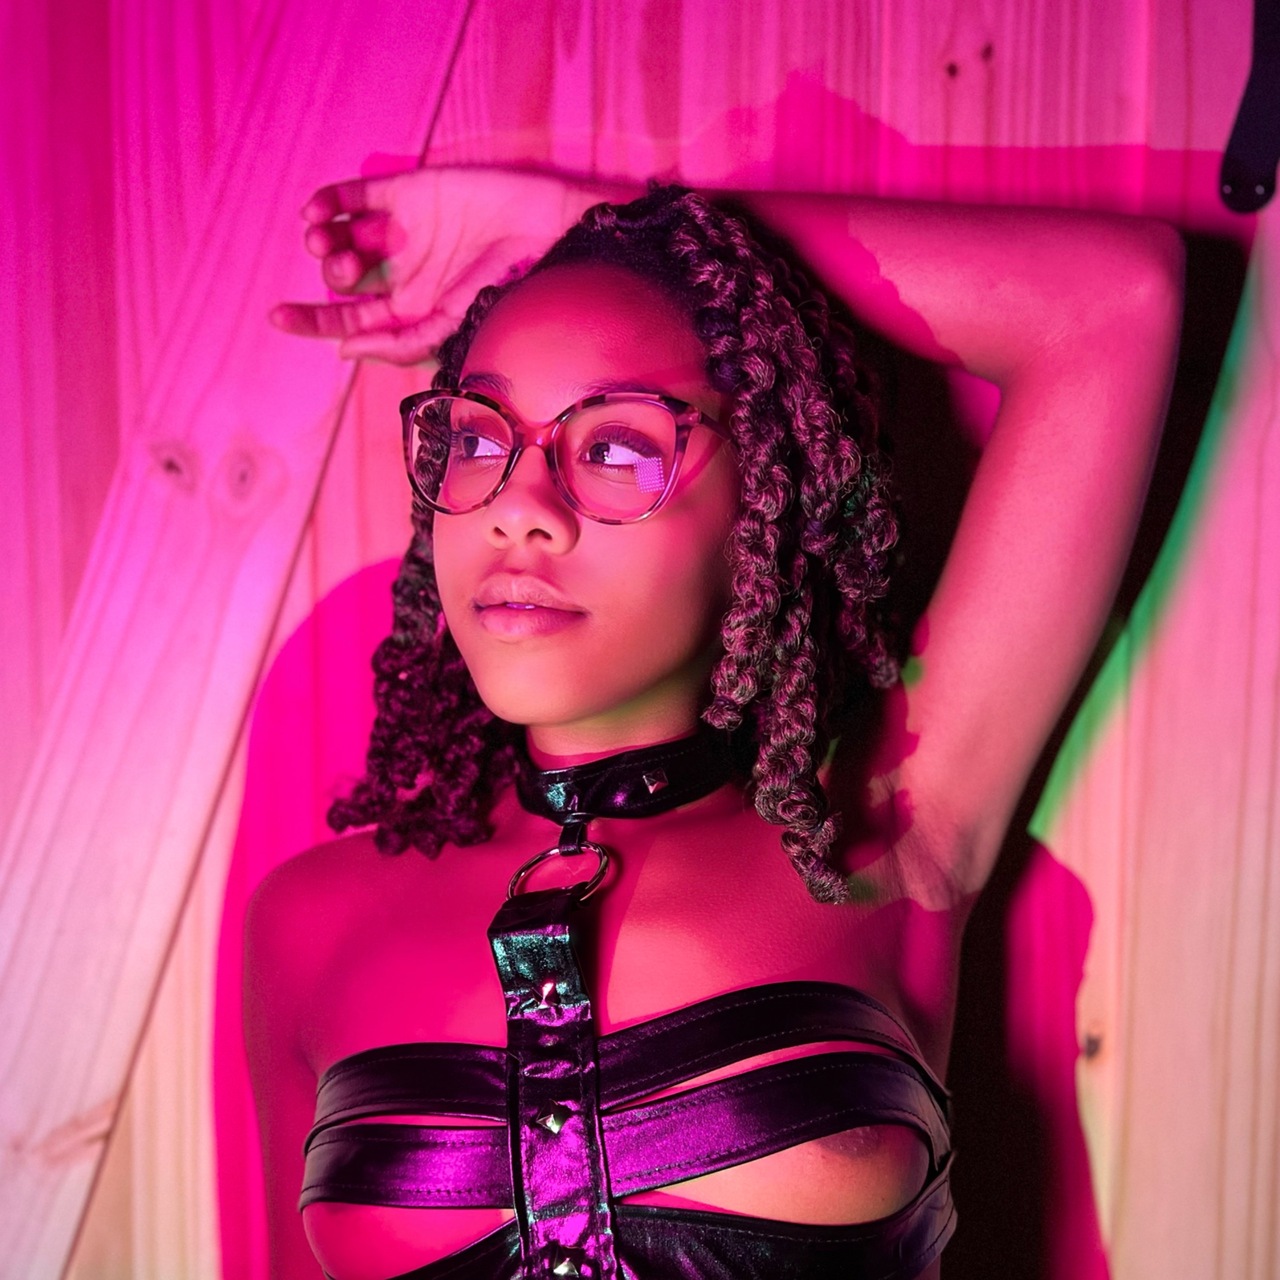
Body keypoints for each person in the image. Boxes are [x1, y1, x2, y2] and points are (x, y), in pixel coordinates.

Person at [245, 168, 1183, 1280]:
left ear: (763, 503)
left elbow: (1111, 304)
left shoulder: (885, 835)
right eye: (479, 439)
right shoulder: (308, 923)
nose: (518, 512)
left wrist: (617, 228)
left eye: (617, 446)